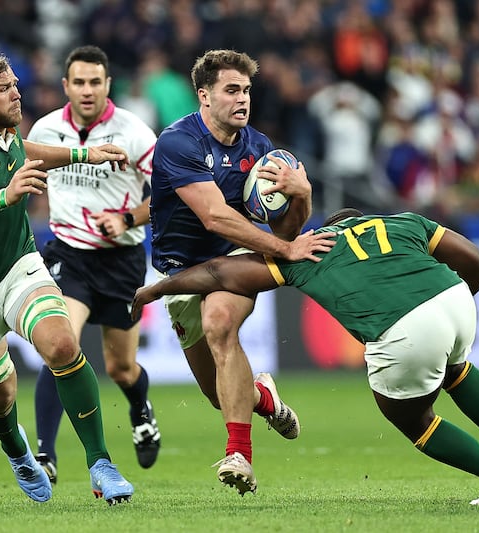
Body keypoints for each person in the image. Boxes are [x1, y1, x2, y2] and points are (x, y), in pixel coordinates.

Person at [133, 208, 479, 505]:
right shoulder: (401, 221)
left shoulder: (313, 250)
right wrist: (452, 302)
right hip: (454, 299)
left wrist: (156, 290)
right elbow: (477, 261)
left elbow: (222, 272)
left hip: (404, 328)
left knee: (415, 421)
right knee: (454, 368)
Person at [0, 49, 135, 505]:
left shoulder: (3, 130)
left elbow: (25, 149)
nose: (17, 94)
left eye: (15, 84)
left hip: (19, 266)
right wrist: (5, 194)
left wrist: (85, 153)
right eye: (5, 89)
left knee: (62, 343)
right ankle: (17, 450)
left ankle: (100, 463)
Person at [149, 49, 333, 495]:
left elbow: (282, 227)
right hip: (182, 271)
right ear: (204, 96)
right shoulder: (178, 143)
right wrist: (286, 246)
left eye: (247, 90)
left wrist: (302, 196)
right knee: (221, 395)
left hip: (233, 259)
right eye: (232, 90)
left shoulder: (261, 149)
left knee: (219, 323)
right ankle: (263, 398)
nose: (242, 99)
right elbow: (214, 216)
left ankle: (239, 456)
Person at [26, 45, 160, 481]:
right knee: (60, 346)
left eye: (95, 82)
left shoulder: (134, 132)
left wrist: (127, 219)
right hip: (69, 256)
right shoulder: (45, 130)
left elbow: (174, 192)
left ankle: (140, 409)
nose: (87, 90)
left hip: (121, 260)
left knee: (121, 367)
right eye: (78, 82)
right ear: (66, 86)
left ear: (107, 85)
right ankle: (45, 457)